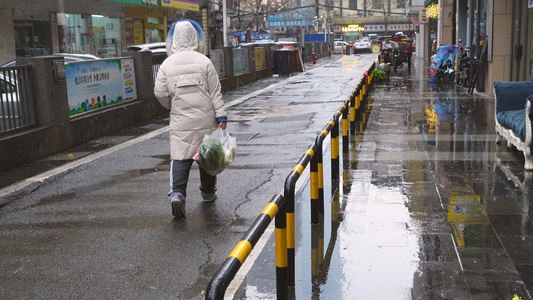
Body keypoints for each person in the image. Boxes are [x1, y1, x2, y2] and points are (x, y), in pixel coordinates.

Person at [154, 20, 228, 218]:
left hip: (181, 121)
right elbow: (215, 92)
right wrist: (221, 115)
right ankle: (208, 193)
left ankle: (177, 194)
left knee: (180, 158)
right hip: (206, 120)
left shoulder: (167, 64)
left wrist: (171, 105)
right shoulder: (204, 61)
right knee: (206, 155)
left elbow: (159, 92)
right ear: (195, 38)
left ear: (174, 39)